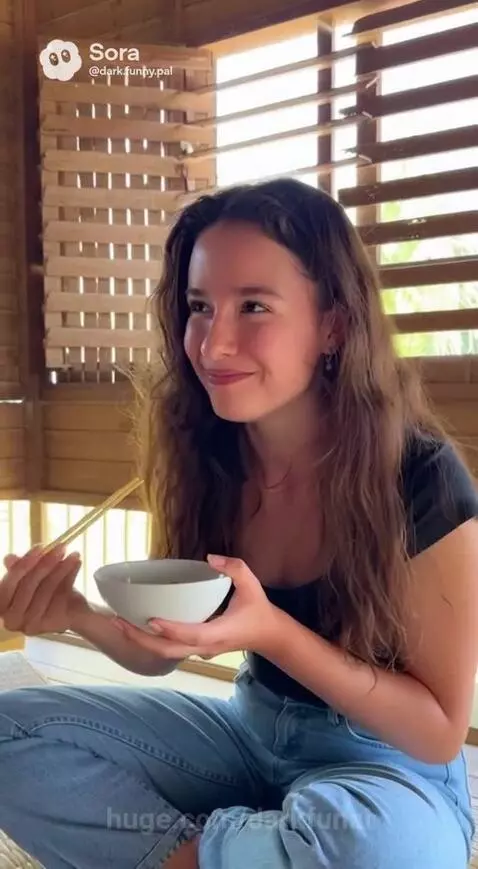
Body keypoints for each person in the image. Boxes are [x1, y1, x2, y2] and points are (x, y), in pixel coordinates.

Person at [0, 177, 477, 869]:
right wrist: (76, 613)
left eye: (253, 305)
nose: (213, 343)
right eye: (199, 306)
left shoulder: (422, 479)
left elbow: (436, 734)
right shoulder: (207, 452)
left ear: (333, 324)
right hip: (247, 734)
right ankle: (245, 849)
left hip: (385, 767)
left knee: (377, 847)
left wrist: (273, 633)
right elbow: (164, 649)